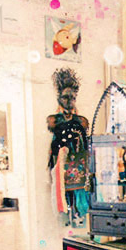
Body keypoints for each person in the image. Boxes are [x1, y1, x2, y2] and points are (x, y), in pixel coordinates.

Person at [47, 67, 89, 227]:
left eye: (72, 98)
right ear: (59, 98)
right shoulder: (54, 121)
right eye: (65, 97)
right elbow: (53, 150)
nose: (69, 101)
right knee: (64, 204)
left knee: (80, 204)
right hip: (63, 169)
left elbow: (85, 146)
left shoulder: (81, 121)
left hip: (79, 169)